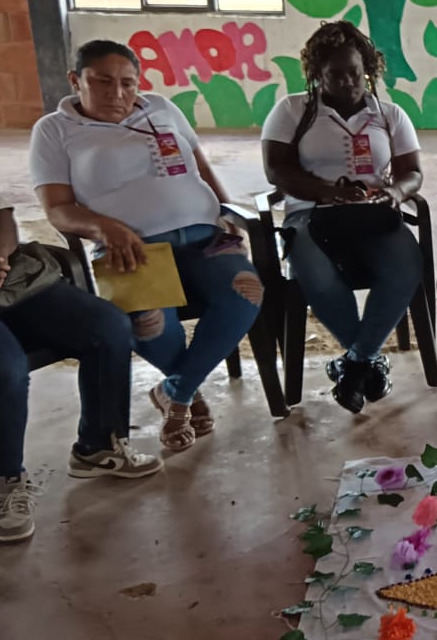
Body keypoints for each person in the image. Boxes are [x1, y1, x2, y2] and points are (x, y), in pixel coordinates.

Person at [29, 39, 264, 453]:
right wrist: (103, 227)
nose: (117, 94)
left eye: (127, 83)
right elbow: (58, 209)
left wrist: (226, 211)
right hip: (132, 247)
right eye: (103, 82)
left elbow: (201, 167)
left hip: (205, 237)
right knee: (148, 322)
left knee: (247, 293)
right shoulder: (55, 129)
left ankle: (175, 391)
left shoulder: (161, 107)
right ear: (75, 80)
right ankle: (187, 392)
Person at [261, 22, 424, 414]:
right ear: (318, 73)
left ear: (367, 69)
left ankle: (353, 364)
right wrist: (326, 192)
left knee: (406, 268)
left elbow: (413, 173)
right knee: (317, 279)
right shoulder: (293, 110)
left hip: (372, 214)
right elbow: (276, 170)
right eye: (336, 74)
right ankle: (368, 360)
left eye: (355, 72)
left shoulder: (389, 114)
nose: (348, 82)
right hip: (310, 214)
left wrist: (395, 193)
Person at [0, 191, 162, 542]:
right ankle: (4, 482)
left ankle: (98, 446)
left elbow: (2, 220)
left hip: (11, 281)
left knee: (108, 327)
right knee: (6, 367)